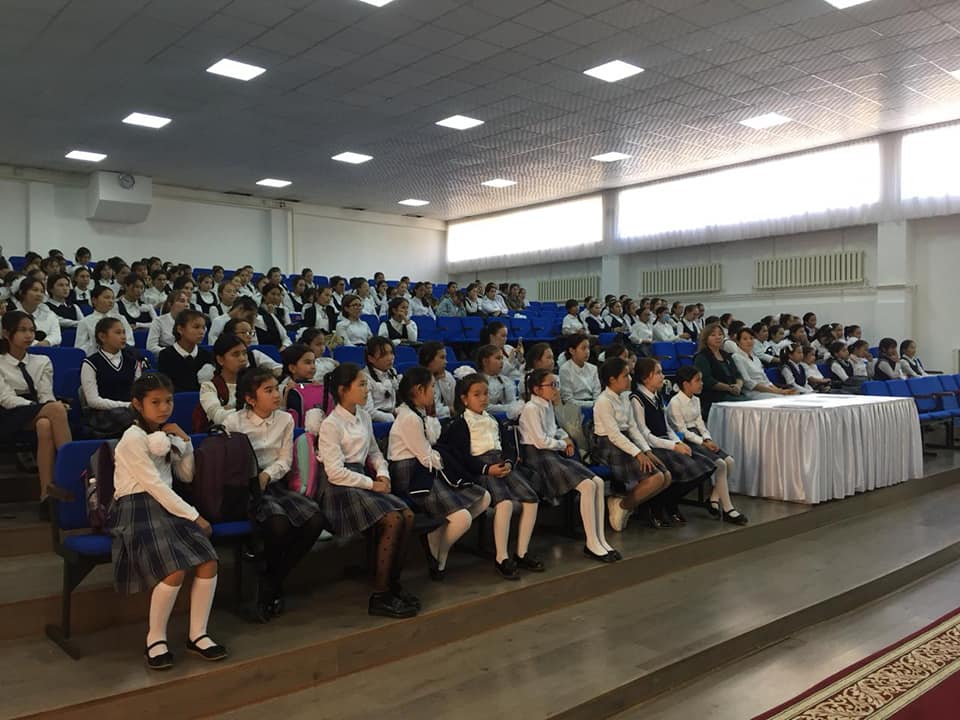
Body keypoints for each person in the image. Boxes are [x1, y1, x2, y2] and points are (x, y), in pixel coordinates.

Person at [109, 373, 226, 669]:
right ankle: (155, 637)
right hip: (136, 507)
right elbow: (154, 485)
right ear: (138, 404)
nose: (164, 408)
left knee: (209, 561)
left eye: (169, 401)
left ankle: (198, 634)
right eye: (155, 402)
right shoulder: (132, 438)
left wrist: (184, 441)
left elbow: (185, 475)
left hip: (168, 506)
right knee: (174, 569)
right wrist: (194, 515)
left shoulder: (165, 434)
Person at [316, 363, 419, 618]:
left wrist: (383, 474)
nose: (367, 390)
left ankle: (393, 582)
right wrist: (373, 484)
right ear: (343, 390)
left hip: (361, 479)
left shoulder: (362, 416)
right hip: (339, 488)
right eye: (361, 385)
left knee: (407, 515)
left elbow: (374, 452)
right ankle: (380, 595)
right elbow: (335, 472)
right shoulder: (331, 424)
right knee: (393, 519)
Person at [224, 367, 325, 622]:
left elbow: (285, 460)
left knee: (314, 518)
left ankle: (270, 578)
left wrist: (267, 475)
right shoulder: (233, 422)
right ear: (250, 398)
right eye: (268, 391)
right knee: (278, 521)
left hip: (274, 482)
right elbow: (231, 463)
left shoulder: (285, 419)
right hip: (247, 487)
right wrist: (256, 479)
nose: (276, 395)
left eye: (276, 389)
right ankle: (270, 584)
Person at [388, 367, 491, 580]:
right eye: (432, 387)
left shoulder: (419, 414)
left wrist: (438, 453)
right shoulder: (409, 418)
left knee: (484, 497)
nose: (434, 392)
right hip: (412, 476)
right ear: (419, 390)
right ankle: (439, 557)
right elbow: (427, 456)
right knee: (462, 518)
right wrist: (442, 459)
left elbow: (432, 444)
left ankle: (436, 541)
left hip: (426, 471)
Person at [437, 373, 543, 580]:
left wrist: (509, 462)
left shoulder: (493, 419)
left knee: (531, 499)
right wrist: (486, 469)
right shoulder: (460, 424)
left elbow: (508, 446)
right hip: (481, 468)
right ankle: (501, 557)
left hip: (500, 463)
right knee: (505, 503)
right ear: (464, 399)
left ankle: (522, 552)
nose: (483, 398)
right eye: (477, 394)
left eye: (485, 394)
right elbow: (460, 457)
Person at [520, 369, 620, 562]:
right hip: (539, 458)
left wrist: (564, 437)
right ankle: (591, 542)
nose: (556, 389)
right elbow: (540, 441)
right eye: (551, 385)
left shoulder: (547, 405)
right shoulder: (531, 408)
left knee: (598, 482)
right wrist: (562, 444)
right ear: (537, 389)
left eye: (556, 384)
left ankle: (600, 539)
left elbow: (554, 429)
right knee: (587, 485)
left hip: (551, 453)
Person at [631, 359, 717, 527]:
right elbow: (645, 434)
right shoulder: (637, 399)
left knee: (707, 465)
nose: (663, 376)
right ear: (646, 378)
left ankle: (669, 501)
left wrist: (678, 442)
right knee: (684, 468)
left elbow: (667, 427)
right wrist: (672, 446)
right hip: (653, 446)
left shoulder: (657, 396)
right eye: (658, 373)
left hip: (667, 442)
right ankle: (656, 506)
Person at [0, 311, 72, 502]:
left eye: (32, 330)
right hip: (7, 414)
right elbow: (6, 399)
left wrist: (45, 407)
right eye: (22, 330)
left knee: (45, 425)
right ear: (6, 333)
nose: (29, 335)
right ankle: (72, 472)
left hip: (36, 411)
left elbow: (46, 394)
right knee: (56, 409)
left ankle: (46, 495)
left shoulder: (42, 361)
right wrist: (41, 407)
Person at [592, 357, 670, 532]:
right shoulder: (603, 401)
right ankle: (622, 506)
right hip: (609, 446)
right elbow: (614, 435)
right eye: (625, 375)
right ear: (612, 379)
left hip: (627, 442)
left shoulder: (625, 397)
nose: (630, 379)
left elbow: (633, 428)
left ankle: (626, 504)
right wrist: (637, 454)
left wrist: (646, 451)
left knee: (666, 477)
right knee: (656, 478)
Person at [667, 366, 747, 525]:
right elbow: (681, 430)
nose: (701, 384)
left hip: (699, 437)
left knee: (730, 461)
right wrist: (702, 442)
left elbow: (700, 423)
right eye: (697, 380)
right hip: (685, 441)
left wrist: (708, 438)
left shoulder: (696, 400)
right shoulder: (675, 402)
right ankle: (728, 508)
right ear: (686, 384)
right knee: (720, 464)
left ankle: (713, 498)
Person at [80, 317, 142, 436]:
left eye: (124, 332)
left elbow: (139, 391)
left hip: (130, 410)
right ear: (102, 337)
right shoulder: (90, 363)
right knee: (127, 419)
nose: (123, 337)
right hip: (102, 414)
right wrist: (126, 405)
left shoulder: (133, 362)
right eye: (118, 333)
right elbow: (93, 401)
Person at [693, 322, 746, 420]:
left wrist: (738, 385)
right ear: (705, 338)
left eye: (720, 334)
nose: (718, 337)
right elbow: (707, 380)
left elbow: (738, 375)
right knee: (744, 405)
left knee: (749, 402)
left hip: (733, 393)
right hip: (715, 396)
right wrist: (728, 388)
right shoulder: (702, 356)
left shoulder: (726, 355)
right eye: (713, 335)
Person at [157, 309, 214, 392]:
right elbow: (166, 387)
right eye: (196, 327)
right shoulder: (166, 355)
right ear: (180, 329)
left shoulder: (206, 355)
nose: (202, 332)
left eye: (203, 328)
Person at [199, 333, 246, 428]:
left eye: (244, 353)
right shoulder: (208, 387)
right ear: (220, 360)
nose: (242, 358)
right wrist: (253, 411)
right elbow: (218, 417)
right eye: (236, 354)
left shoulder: (254, 382)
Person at [732, 328, 795, 399]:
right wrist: (776, 392)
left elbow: (765, 379)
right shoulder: (737, 357)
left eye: (751, 338)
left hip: (767, 390)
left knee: (793, 395)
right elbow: (748, 382)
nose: (749, 341)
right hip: (753, 392)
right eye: (745, 339)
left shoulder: (755, 357)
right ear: (738, 342)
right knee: (782, 399)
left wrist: (779, 390)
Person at [75, 286, 135, 356]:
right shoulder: (85, 322)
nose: (111, 301)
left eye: (113, 298)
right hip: (95, 357)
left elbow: (130, 341)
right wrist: (94, 343)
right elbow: (80, 348)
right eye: (107, 297)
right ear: (94, 300)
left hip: (120, 355)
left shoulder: (121, 318)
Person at [9, 276, 60, 347]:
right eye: (35, 290)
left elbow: (56, 335)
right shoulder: (11, 316)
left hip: (45, 350)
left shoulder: (50, 315)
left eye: (42, 291)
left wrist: (47, 341)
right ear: (22, 292)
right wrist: (36, 344)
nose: (39, 294)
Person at [476, 344, 523, 419]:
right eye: (498, 358)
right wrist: (509, 408)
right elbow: (485, 406)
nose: (502, 362)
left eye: (502, 359)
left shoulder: (506, 380)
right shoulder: (477, 382)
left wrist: (513, 408)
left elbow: (512, 402)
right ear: (485, 361)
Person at [363, 336, 400, 422]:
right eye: (384, 355)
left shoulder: (392, 371)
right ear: (371, 358)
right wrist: (393, 418)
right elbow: (369, 412)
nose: (390, 358)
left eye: (391, 353)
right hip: (377, 422)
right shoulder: (364, 378)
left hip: (393, 416)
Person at [559, 335, 601, 407]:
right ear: (572, 351)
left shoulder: (593, 368)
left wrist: (597, 403)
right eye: (583, 348)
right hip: (575, 407)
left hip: (594, 405)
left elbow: (597, 392)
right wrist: (591, 404)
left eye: (588, 348)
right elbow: (568, 400)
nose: (587, 352)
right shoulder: (565, 370)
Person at [419, 341, 455, 419]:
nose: (446, 362)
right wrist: (449, 409)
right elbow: (427, 412)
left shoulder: (447, 376)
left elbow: (453, 402)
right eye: (442, 358)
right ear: (428, 359)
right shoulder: (418, 381)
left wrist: (444, 381)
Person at [255, 283, 292, 349]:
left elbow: (287, 329)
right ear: (264, 295)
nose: (276, 297)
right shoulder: (257, 312)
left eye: (278, 295)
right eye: (273, 294)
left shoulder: (282, 311)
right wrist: (270, 314)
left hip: (283, 344)